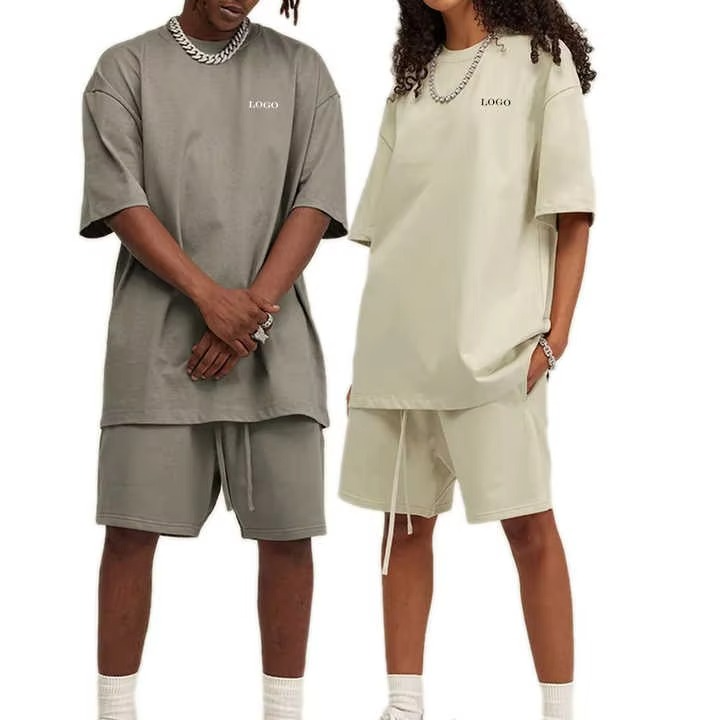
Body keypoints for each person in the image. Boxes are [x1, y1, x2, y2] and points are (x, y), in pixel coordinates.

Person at [79, 1, 346, 718]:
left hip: (275, 348)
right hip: (154, 351)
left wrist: (247, 312)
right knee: (129, 535)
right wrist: (208, 297)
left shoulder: (302, 71)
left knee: (289, 538)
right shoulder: (125, 69)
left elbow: (316, 202)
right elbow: (121, 201)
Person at [339, 1, 595, 719]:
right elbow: (389, 232)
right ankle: (403, 706)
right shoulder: (410, 83)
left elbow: (572, 211)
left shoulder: (540, 62)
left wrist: (554, 337)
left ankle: (559, 712)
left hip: (496, 351)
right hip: (399, 355)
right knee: (403, 525)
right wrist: (373, 360)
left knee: (530, 527)